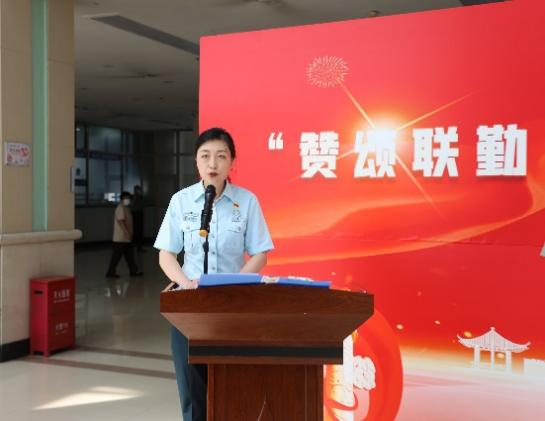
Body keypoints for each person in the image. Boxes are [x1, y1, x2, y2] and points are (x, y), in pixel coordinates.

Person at [154, 127, 274, 420]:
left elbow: (260, 252)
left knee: (233, 390)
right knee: (193, 397)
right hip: (189, 308)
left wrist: (235, 284)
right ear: (195, 161)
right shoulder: (181, 201)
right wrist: (185, 284)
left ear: (232, 162)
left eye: (221, 156)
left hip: (233, 308)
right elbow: (166, 254)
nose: (213, 163)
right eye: (205, 156)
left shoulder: (247, 201)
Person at [106, 191, 143, 278]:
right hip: (121, 238)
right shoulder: (120, 208)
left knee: (129, 255)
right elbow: (121, 222)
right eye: (126, 198)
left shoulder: (126, 208)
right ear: (122, 199)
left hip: (126, 238)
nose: (128, 200)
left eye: (129, 198)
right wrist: (127, 233)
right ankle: (110, 272)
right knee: (116, 256)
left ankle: (133, 271)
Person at [132, 185, 145, 252]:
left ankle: (139, 247)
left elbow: (143, 205)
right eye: (137, 190)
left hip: (140, 214)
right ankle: (134, 246)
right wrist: (135, 198)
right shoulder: (133, 197)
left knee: (140, 231)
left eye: (139, 190)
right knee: (135, 231)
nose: (139, 191)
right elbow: (131, 205)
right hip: (135, 214)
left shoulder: (141, 197)